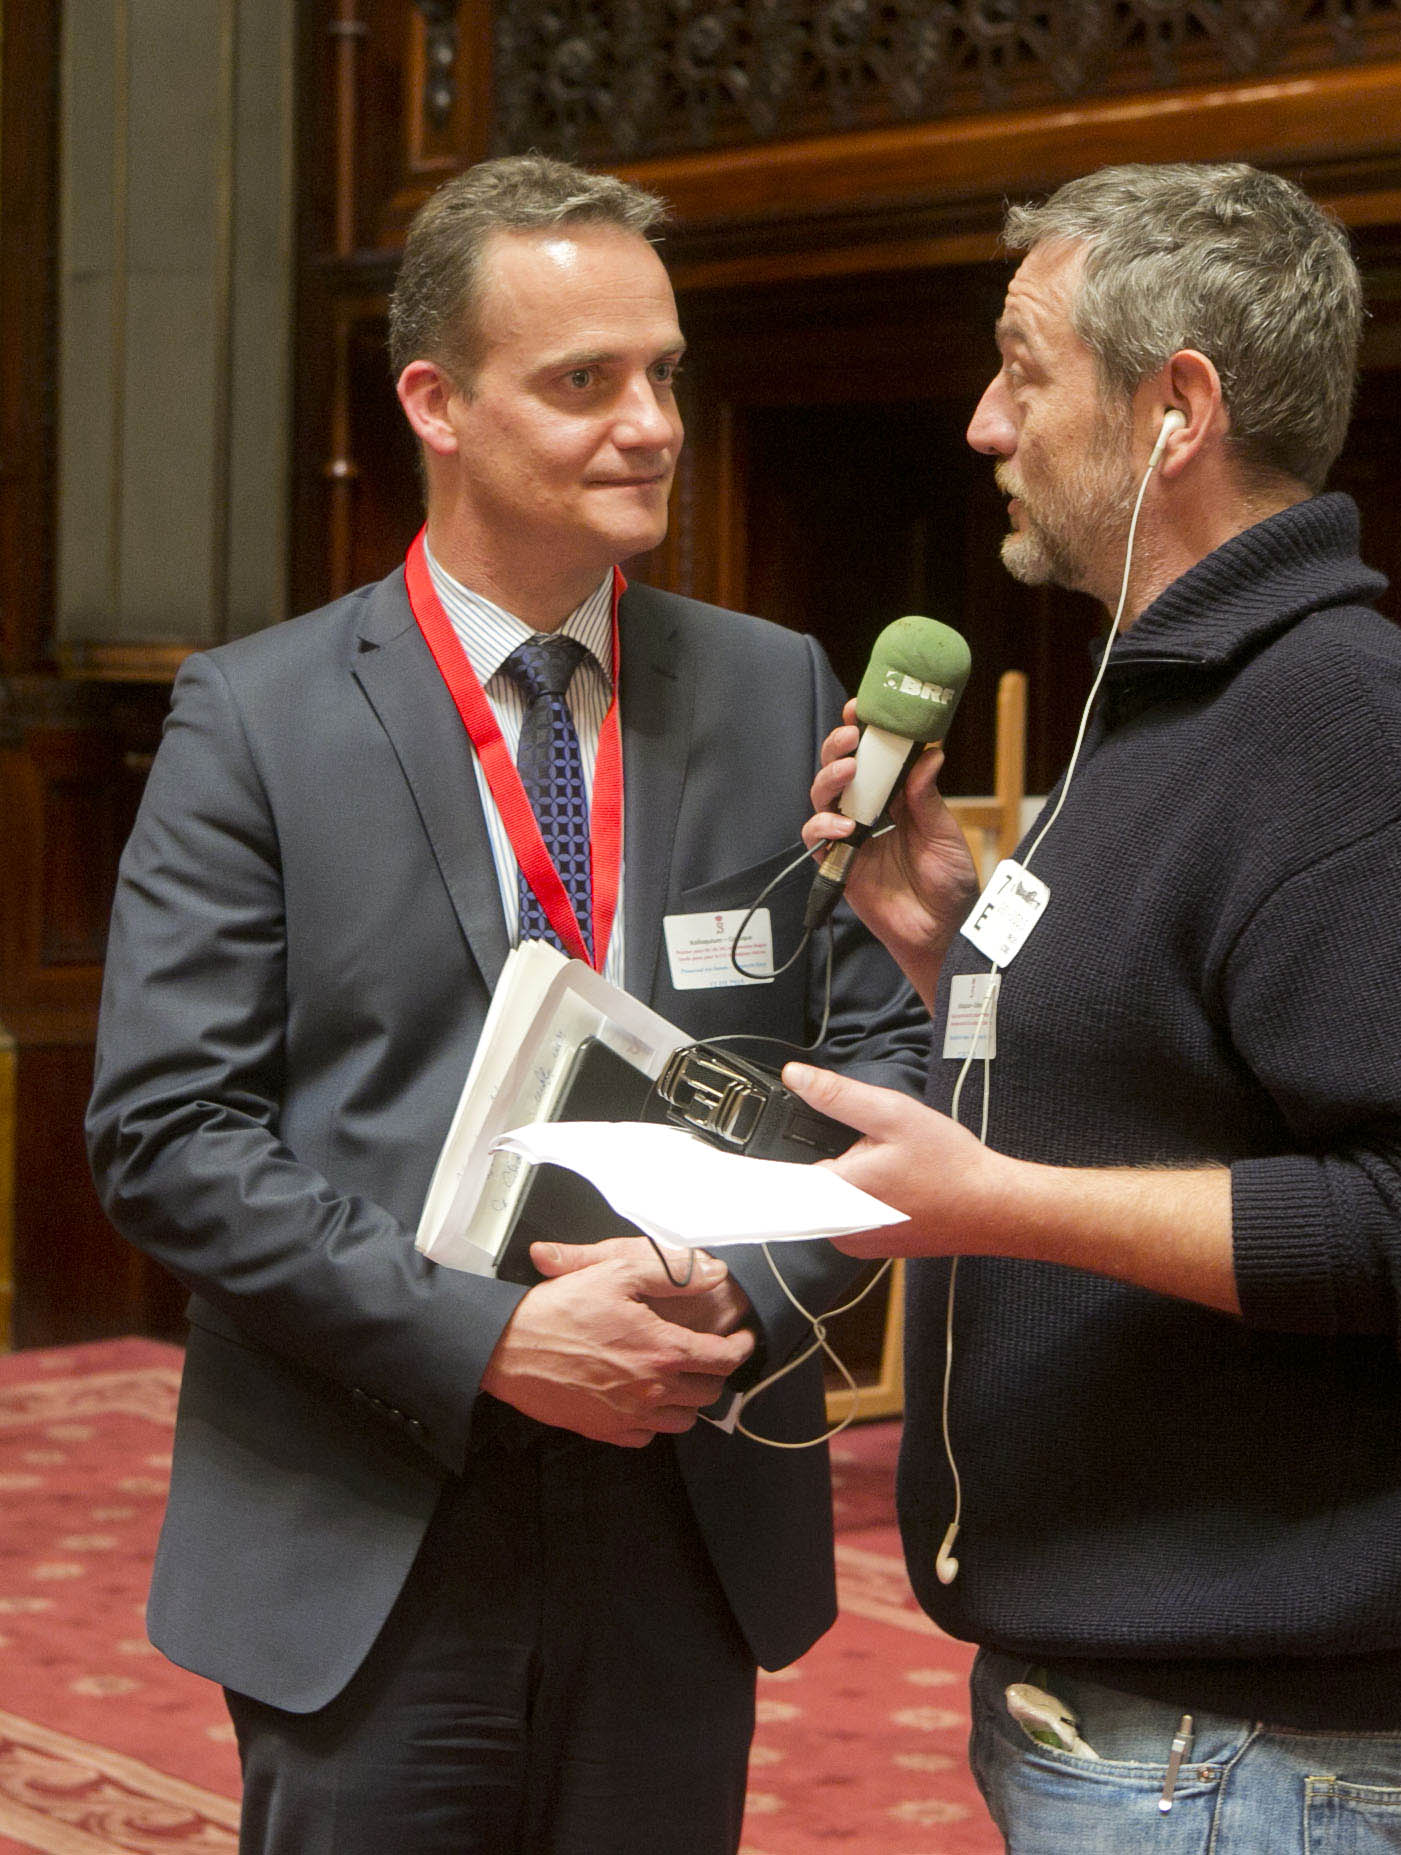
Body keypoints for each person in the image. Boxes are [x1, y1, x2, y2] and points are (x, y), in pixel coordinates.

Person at [85, 154, 927, 1855]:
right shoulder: (257, 719)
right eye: (583, 381)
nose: (652, 424)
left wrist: (733, 1304)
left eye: (665, 372)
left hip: (680, 1505)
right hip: (373, 1506)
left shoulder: (779, 690)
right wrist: (495, 1341)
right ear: (436, 402)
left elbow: (881, 1061)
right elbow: (167, 1135)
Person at [784, 162, 1401, 1851]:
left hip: (1254, 1742)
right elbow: (1167, 1079)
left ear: (1178, 411)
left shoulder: (1353, 739)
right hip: (1158, 1717)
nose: (983, 424)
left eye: (1024, 367)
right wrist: (942, 943)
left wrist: (995, 1208)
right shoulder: (1163, 703)